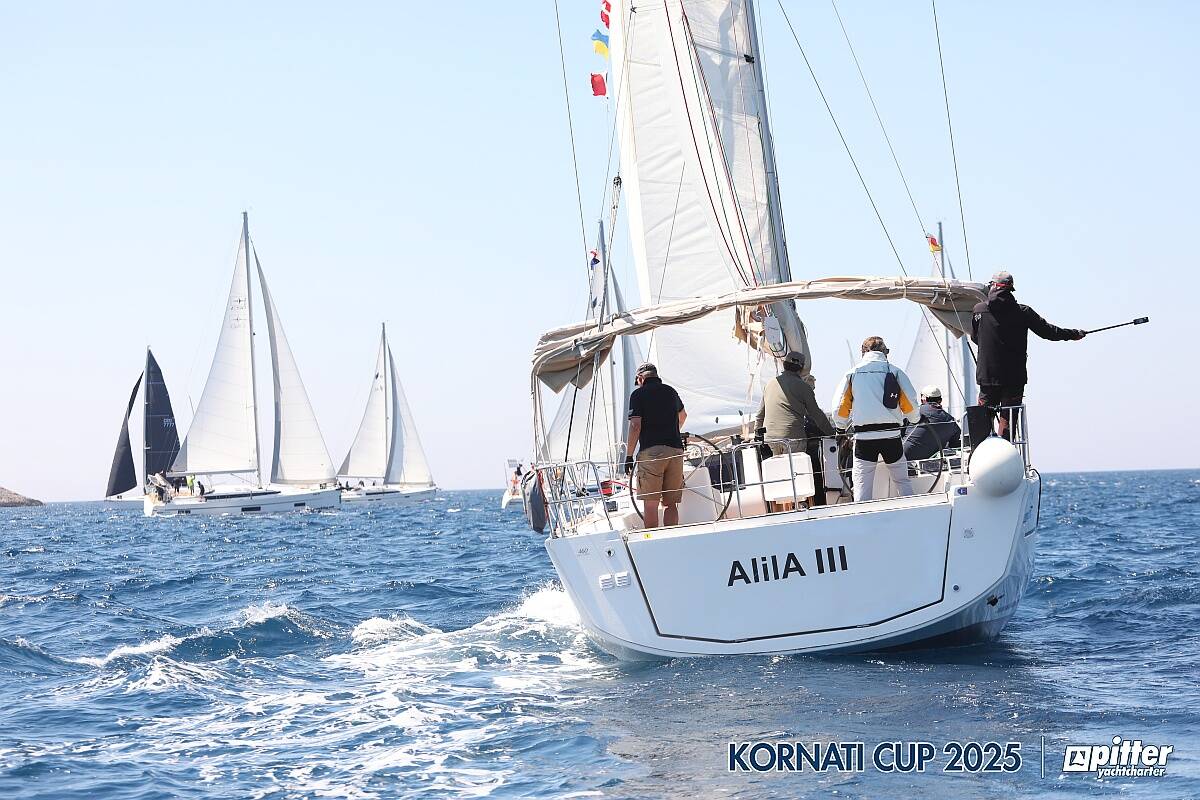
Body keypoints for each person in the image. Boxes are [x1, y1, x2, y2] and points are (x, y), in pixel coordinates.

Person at [972, 270, 1085, 439]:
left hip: (987, 376)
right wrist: (1073, 333)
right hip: (1014, 377)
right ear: (1011, 289)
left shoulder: (979, 310)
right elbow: (1049, 332)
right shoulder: (1023, 312)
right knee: (1008, 419)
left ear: (992, 287)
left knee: (982, 420)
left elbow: (976, 338)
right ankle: (1007, 452)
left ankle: (979, 453)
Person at [831, 336, 921, 502]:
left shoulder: (852, 374)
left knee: (861, 488)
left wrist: (840, 428)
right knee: (902, 481)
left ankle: (864, 521)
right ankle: (912, 512)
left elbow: (839, 408)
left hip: (864, 439)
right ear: (884, 352)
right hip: (891, 437)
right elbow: (911, 405)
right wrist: (914, 420)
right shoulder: (895, 371)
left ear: (863, 352)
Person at [754, 351, 835, 505]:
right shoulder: (803, 387)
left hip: (771, 440)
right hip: (793, 440)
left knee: (781, 476)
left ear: (785, 364)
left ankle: (785, 507)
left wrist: (757, 437)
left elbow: (759, 416)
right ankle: (805, 505)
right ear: (801, 368)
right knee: (801, 475)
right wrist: (833, 434)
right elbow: (817, 415)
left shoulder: (771, 384)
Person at [624, 362, 687, 529]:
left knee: (650, 505)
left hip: (651, 453)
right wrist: (672, 432)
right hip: (675, 450)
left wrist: (629, 455)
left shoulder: (638, 395)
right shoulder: (670, 392)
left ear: (640, 378)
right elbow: (683, 416)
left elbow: (635, 426)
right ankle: (671, 536)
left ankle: (653, 540)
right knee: (671, 503)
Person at [902, 386, 962, 462]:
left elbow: (899, 431)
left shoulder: (916, 412)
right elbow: (955, 445)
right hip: (931, 464)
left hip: (904, 459)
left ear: (923, 399)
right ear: (940, 400)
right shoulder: (950, 420)